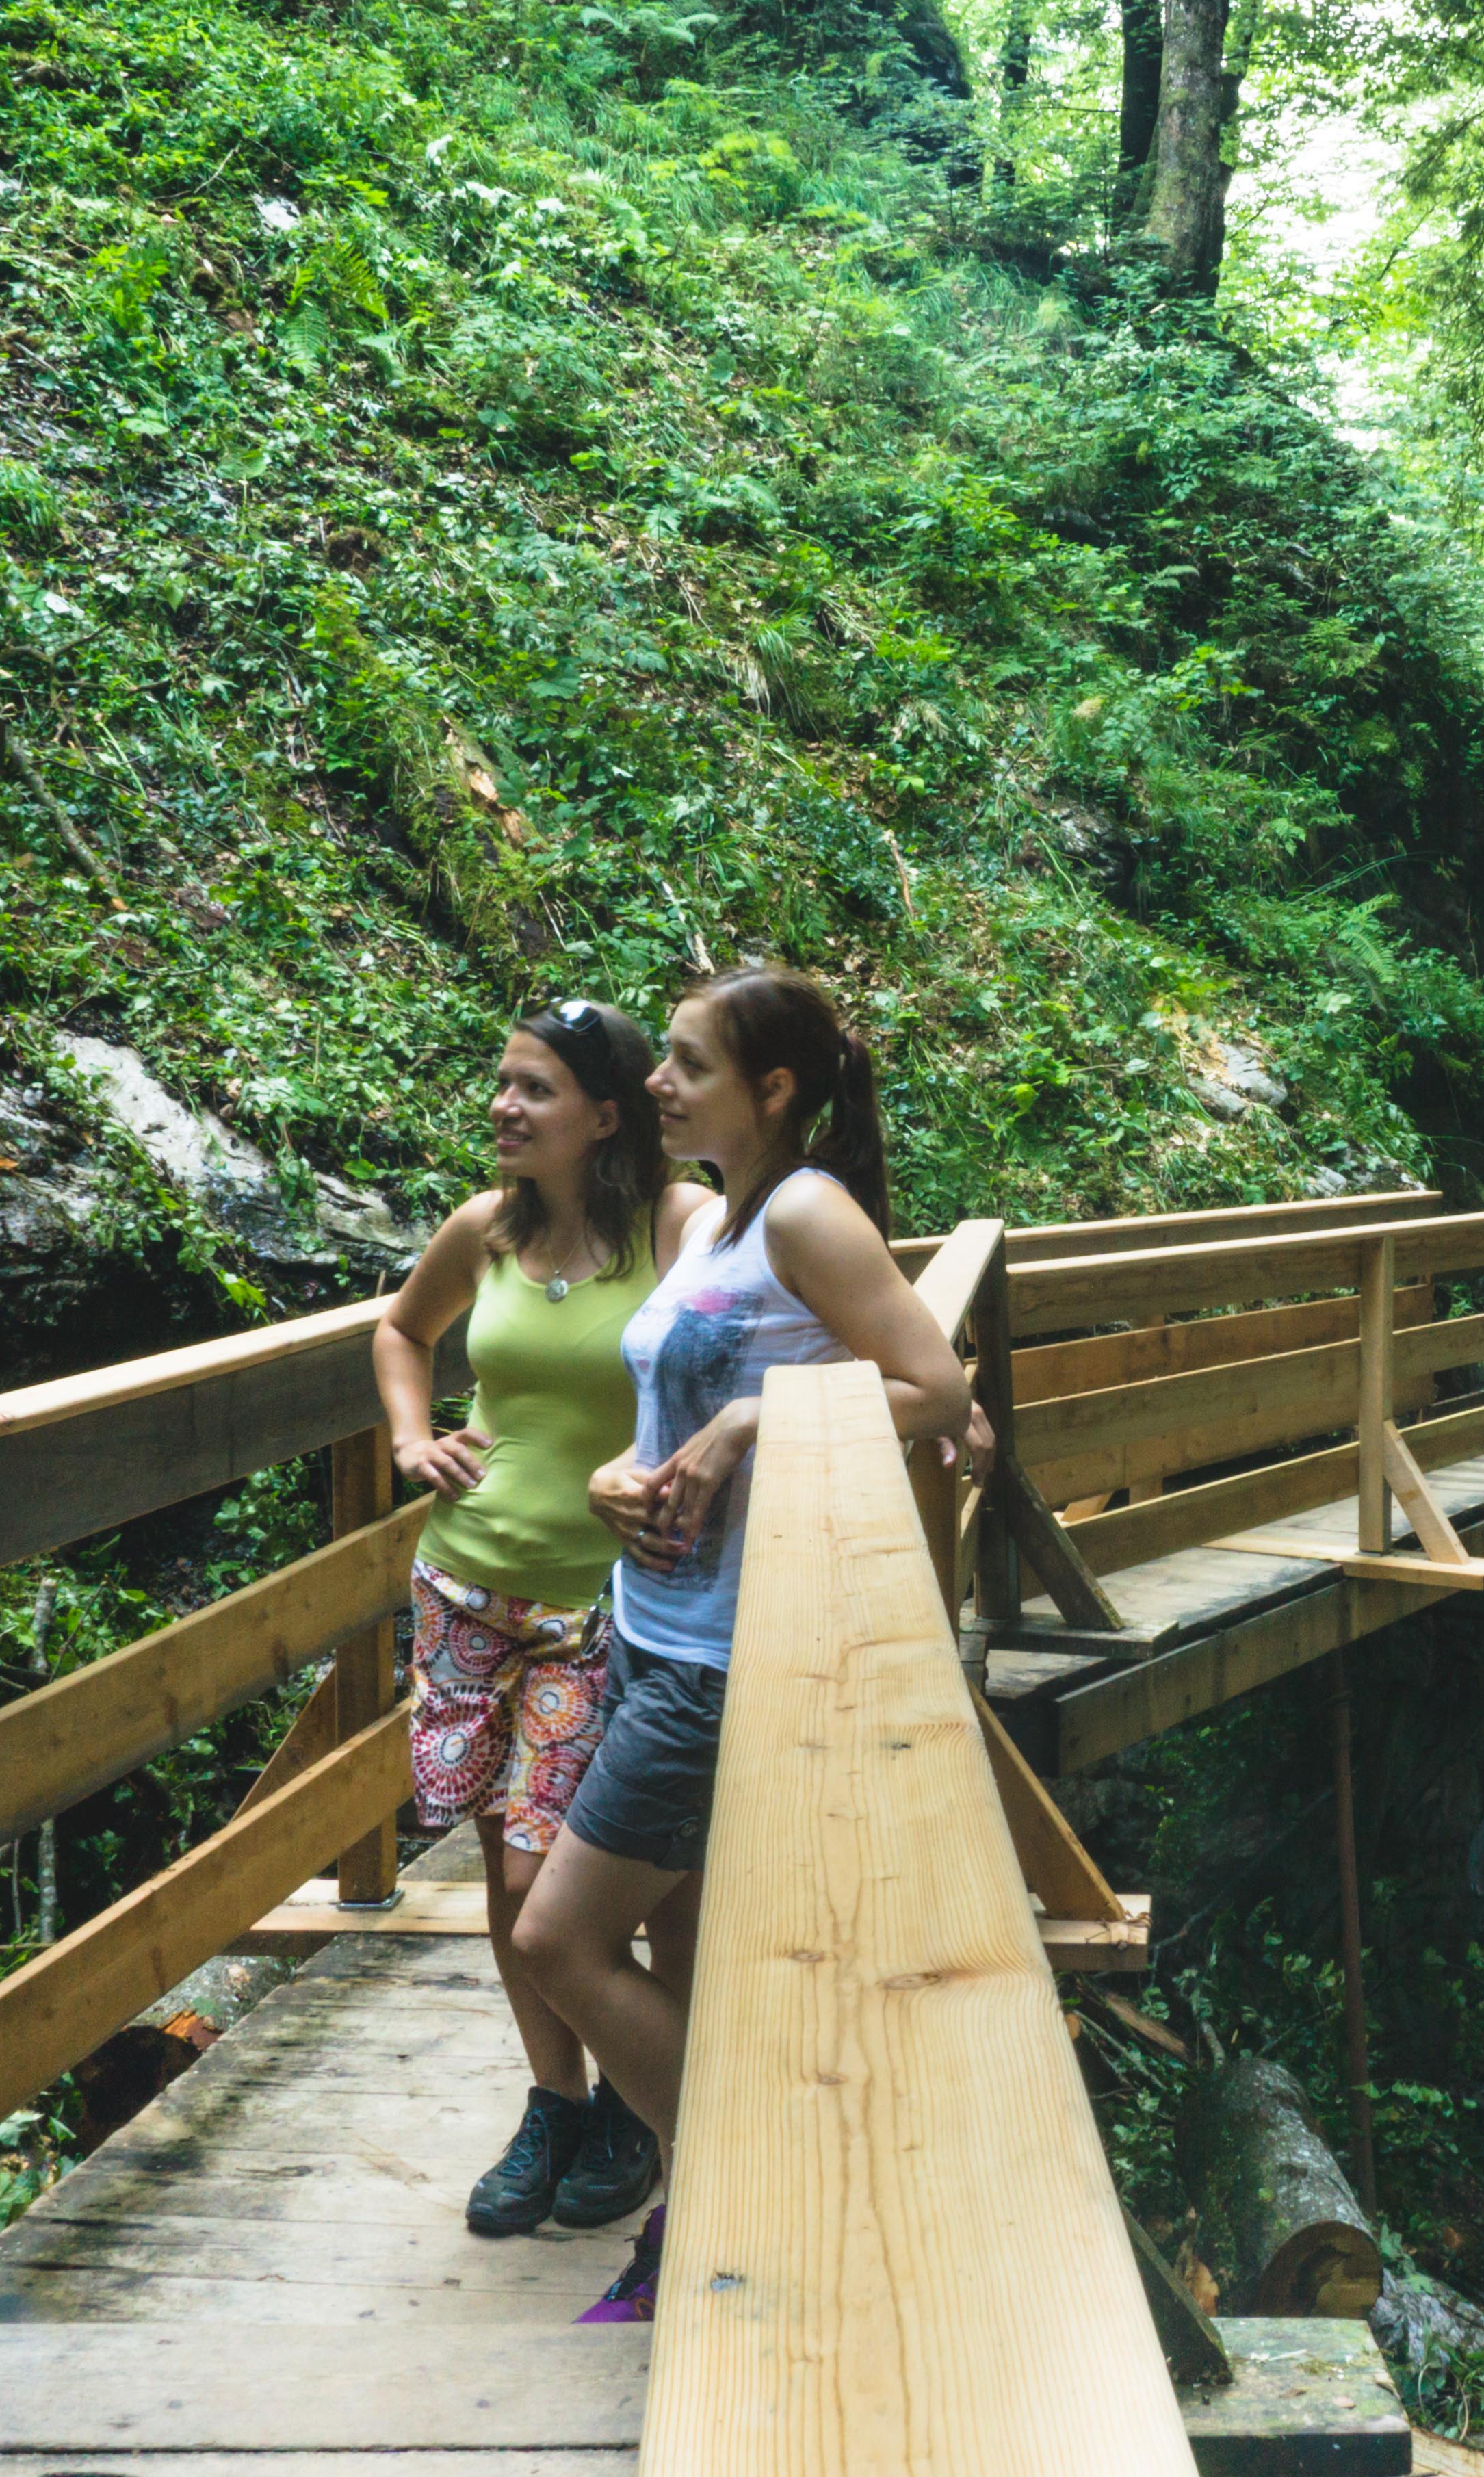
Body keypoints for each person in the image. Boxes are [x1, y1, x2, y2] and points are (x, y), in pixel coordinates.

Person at [512, 965, 979, 2322]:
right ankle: (692, 2229)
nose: (656, 1083)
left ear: (772, 1090)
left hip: (724, 1657)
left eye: (686, 1063)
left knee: (560, 1938)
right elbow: (666, 1401)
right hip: (646, 1629)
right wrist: (620, 1472)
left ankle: (747, 2182)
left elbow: (931, 1382)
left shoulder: (810, 1210)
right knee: (679, 1953)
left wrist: (752, 1419)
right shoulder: (711, 1217)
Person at [369, 999, 714, 2241]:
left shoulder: (678, 1226)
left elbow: (752, 1328)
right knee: (487, 1857)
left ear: (607, 1115)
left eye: (537, 1091)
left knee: (536, 1876)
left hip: (594, 1605)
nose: (507, 1108)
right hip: (462, 1585)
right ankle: (559, 2104)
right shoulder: (485, 1228)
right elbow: (403, 1330)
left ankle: (629, 2100)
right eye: (504, 1085)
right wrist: (414, 1437)